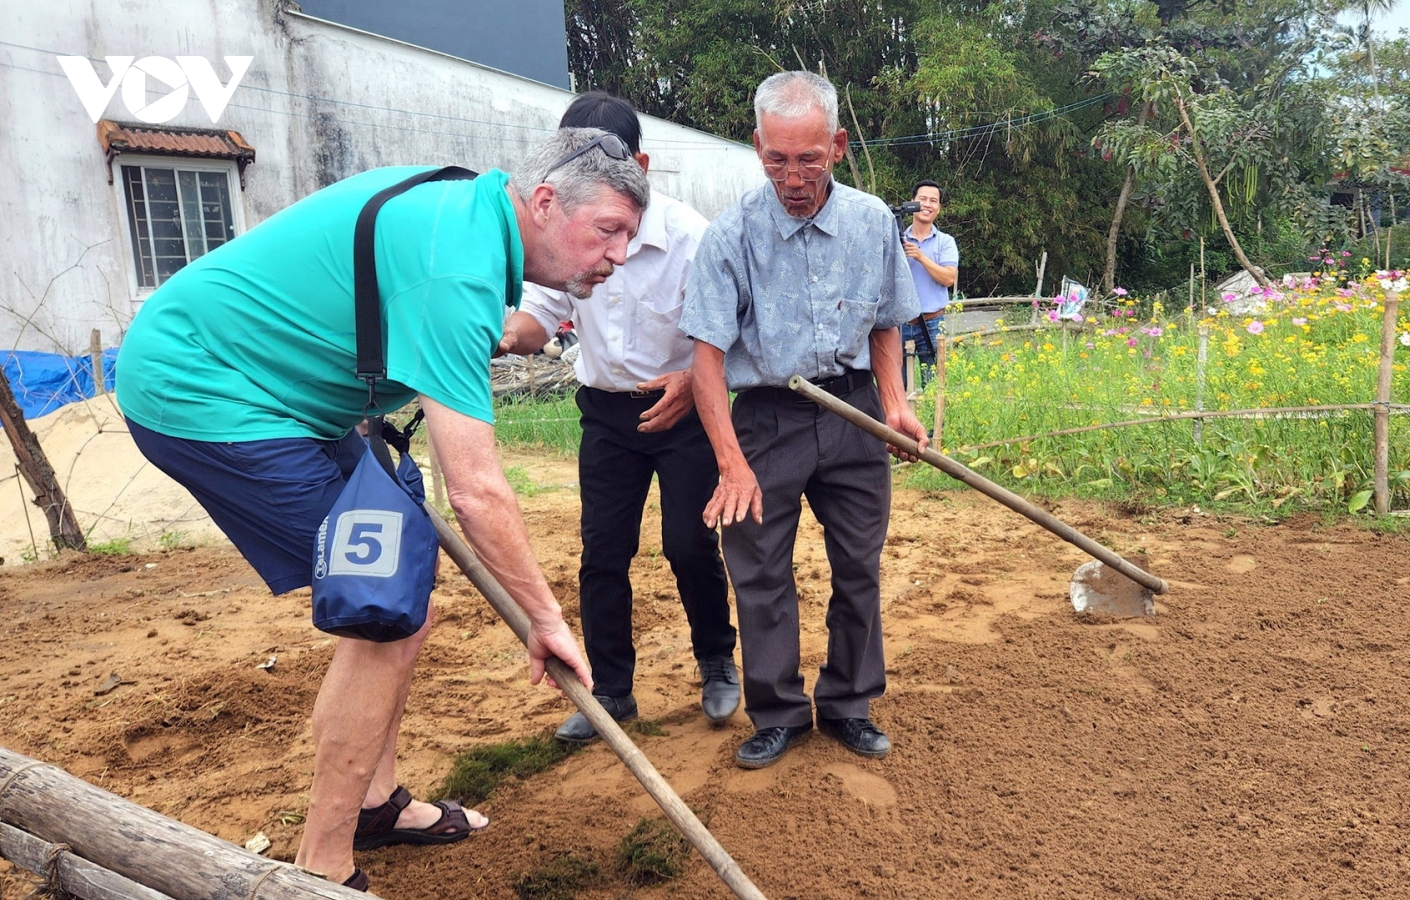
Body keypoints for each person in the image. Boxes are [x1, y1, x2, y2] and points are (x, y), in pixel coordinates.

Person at [115, 128, 648, 891]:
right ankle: (323, 865)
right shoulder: (456, 269)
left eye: (629, 236)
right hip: (206, 389)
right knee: (384, 607)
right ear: (543, 203)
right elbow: (477, 491)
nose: (619, 254)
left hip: (296, 397)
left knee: (398, 596)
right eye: (608, 231)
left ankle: (373, 804)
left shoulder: (468, 217)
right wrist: (546, 618)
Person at [679, 71, 928, 770]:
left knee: (859, 565)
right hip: (767, 419)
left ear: (838, 147)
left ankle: (849, 702)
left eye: (809, 159)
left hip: (854, 412)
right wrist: (730, 463)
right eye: (777, 159)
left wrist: (895, 404)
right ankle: (779, 713)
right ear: (757, 146)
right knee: (759, 571)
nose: (793, 178)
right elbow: (706, 360)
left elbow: (886, 322)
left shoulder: (872, 222)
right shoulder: (731, 236)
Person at [499, 92, 738, 744]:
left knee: (689, 544)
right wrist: (497, 335)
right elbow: (538, 316)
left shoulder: (691, 237)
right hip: (606, 416)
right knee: (603, 552)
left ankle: (717, 661)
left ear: (641, 165)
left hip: (685, 414)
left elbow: (729, 333)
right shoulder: (561, 231)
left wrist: (692, 381)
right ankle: (610, 692)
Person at [899, 180, 960, 384]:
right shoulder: (897, 238)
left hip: (933, 322)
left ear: (939, 208)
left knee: (934, 385)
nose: (927, 204)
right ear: (912, 203)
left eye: (933, 201)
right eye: (922, 199)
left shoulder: (945, 241)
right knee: (898, 385)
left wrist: (920, 257)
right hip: (900, 324)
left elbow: (948, 278)